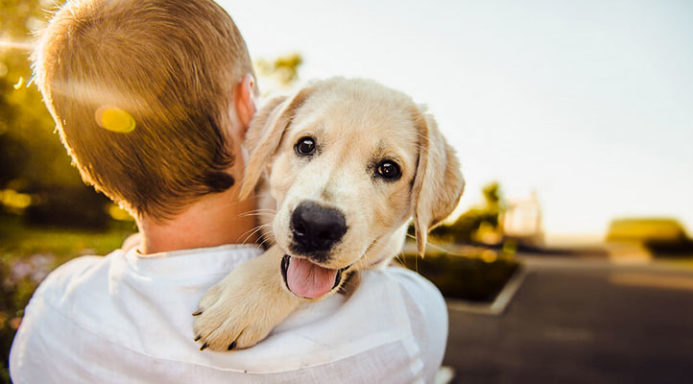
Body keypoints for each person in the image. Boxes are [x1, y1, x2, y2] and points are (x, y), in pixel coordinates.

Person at [9, 0, 448, 382]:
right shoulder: (405, 320)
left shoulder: (56, 308)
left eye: (387, 169)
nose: (322, 207)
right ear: (250, 108)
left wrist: (274, 279)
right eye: (307, 146)